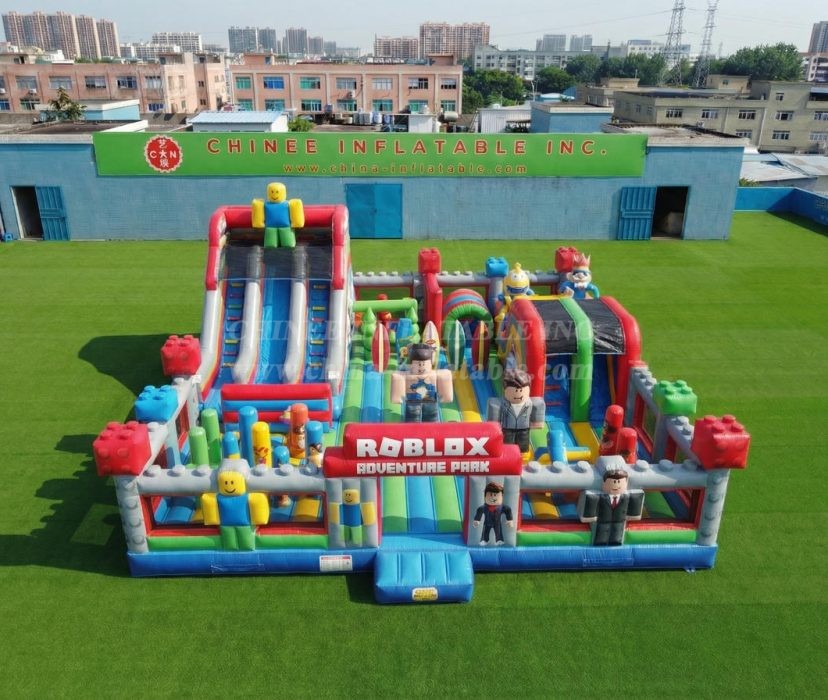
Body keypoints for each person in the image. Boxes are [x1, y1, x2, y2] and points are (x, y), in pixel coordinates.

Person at [487, 368, 545, 459]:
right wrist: (494, 425)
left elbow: (537, 410)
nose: (518, 393)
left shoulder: (530, 403)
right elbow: (494, 417)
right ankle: (508, 456)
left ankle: (522, 456)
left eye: (521, 390)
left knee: (523, 443)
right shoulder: (501, 403)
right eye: (515, 391)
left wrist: (537, 422)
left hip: (524, 428)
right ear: (505, 390)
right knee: (507, 443)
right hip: (507, 429)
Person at [578, 469, 644, 546]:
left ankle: (616, 542)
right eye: (614, 482)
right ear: (604, 483)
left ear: (626, 483)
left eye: (619, 482)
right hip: (603, 521)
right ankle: (600, 543)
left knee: (617, 534)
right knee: (601, 535)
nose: (616, 485)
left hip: (619, 522)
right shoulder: (602, 498)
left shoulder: (625, 498)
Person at [390, 343, 453, 423]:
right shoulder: (406, 375)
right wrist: (398, 396)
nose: (421, 367)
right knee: (413, 416)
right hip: (413, 400)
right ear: (412, 364)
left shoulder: (434, 375)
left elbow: (444, 378)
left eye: (424, 364)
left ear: (430, 364)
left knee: (430, 415)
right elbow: (399, 379)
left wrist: (445, 395)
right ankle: (413, 426)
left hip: (429, 399)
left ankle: (429, 426)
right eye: (418, 364)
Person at [251, 181, 304, 248]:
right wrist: (259, 223)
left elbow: (295, 211)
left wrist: (296, 222)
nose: (274, 195)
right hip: (271, 227)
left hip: (285, 227)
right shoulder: (266, 205)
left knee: (287, 243)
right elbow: (259, 211)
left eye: (277, 192)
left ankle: (286, 244)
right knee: (270, 244)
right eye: (272, 192)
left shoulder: (288, 204)